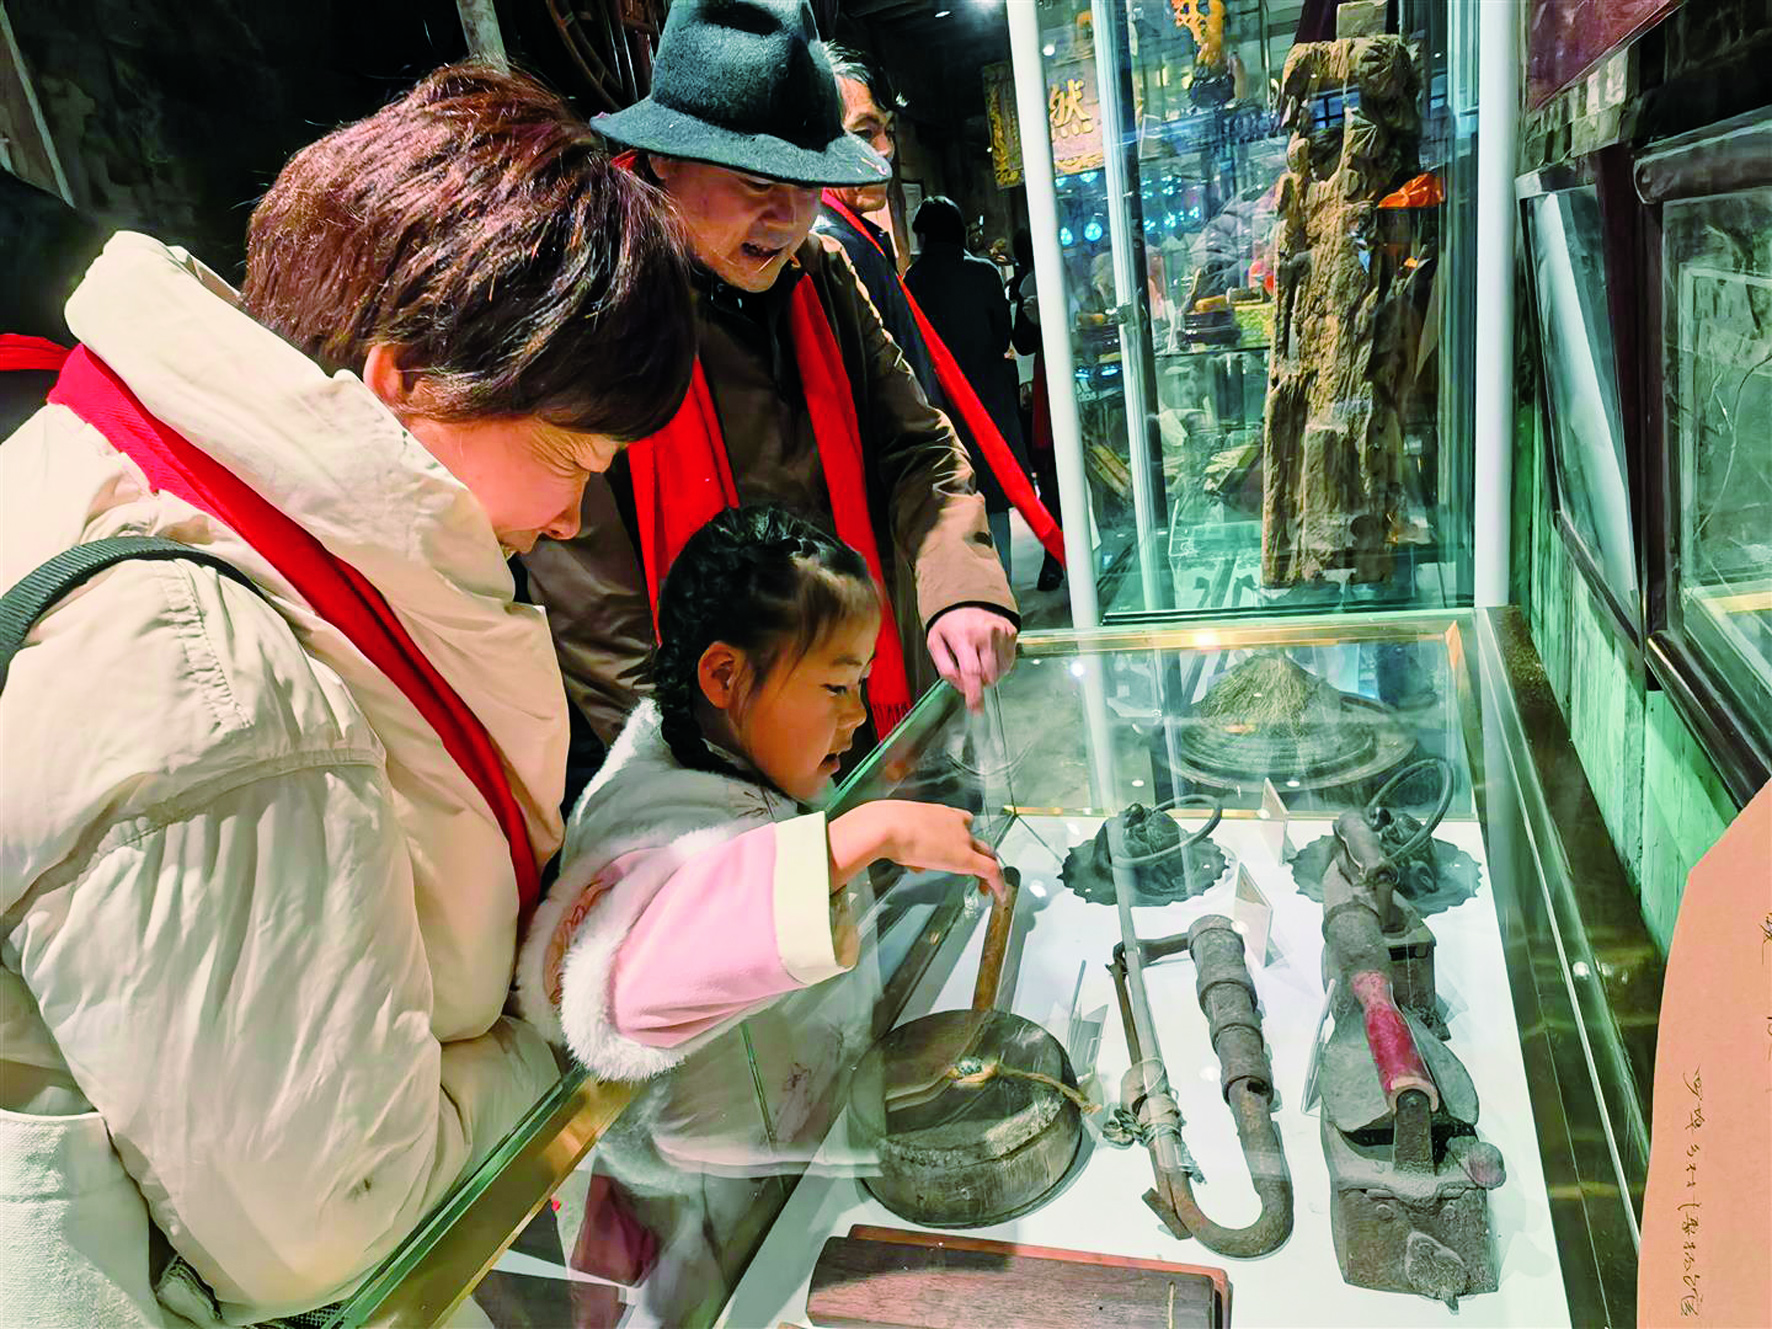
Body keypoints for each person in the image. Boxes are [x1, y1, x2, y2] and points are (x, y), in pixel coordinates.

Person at [0, 65, 695, 1328]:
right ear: (405, 379)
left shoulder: (160, 481)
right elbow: (336, 1218)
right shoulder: (201, 682)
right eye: (570, 456)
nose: (571, 516)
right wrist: (559, 1038)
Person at [521, 0, 1020, 775]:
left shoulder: (824, 275)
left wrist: (963, 585)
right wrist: (699, 769)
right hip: (723, 751)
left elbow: (918, 447)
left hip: (872, 703)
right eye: (757, 181)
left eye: (807, 183)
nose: (787, 216)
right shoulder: (595, 313)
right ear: (664, 160)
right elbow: (594, 602)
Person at [517, 504, 1002, 1080]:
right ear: (724, 676)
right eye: (836, 686)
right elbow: (616, 993)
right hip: (722, 1132)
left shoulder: (747, 758)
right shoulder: (644, 815)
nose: (857, 713)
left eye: (862, 683)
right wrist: (866, 834)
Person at [907, 196, 1037, 583]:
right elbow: (1002, 336)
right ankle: (1004, 585)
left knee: (955, 499)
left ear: (923, 235)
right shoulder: (983, 273)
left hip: (941, 403)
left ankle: (970, 588)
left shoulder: (913, 279)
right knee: (994, 500)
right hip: (988, 400)